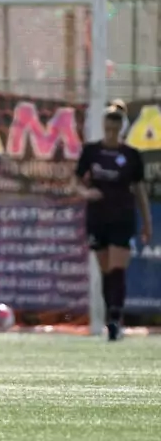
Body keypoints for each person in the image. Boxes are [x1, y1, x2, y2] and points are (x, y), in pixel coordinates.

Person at [75, 102, 151, 341]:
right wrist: (86, 193)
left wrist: (147, 222)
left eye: (114, 130)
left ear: (121, 129)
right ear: (103, 126)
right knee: (105, 270)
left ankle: (115, 320)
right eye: (107, 129)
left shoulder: (131, 155)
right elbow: (75, 180)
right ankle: (111, 317)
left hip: (122, 217)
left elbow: (140, 190)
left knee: (117, 269)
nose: (110, 133)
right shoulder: (91, 151)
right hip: (98, 218)